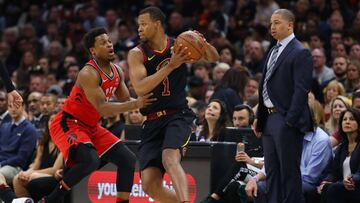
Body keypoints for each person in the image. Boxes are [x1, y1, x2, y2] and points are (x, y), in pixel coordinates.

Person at [38, 28, 155, 203]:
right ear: (93, 50)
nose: (109, 45)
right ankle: (51, 199)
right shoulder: (88, 73)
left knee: (128, 160)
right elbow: (104, 109)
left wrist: (149, 104)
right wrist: (136, 104)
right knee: (90, 161)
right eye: (103, 43)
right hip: (68, 123)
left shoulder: (117, 71)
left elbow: (125, 99)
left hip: (91, 126)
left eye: (109, 41)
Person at [128, 6, 219, 203]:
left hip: (178, 115)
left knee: (169, 158)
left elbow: (214, 58)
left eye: (143, 24)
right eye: (138, 25)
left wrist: (202, 43)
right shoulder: (137, 54)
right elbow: (141, 88)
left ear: (157, 24)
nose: (139, 29)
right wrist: (171, 65)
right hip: (152, 121)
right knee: (149, 185)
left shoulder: (179, 44)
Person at [255, 9, 313, 203]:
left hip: (285, 119)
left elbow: (301, 90)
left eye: (277, 22)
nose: (272, 27)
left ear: (290, 25)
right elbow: (265, 84)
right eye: (271, 23)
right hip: (269, 119)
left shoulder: (300, 51)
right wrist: (260, 118)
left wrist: (290, 121)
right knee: (273, 174)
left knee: (289, 174)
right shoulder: (272, 50)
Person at [318, 108, 360, 203]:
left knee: (332, 189)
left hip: (356, 186)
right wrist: (326, 181)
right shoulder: (341, 148)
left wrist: (350, 180)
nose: (347, 122)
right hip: (342, 188)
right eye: (344, 119)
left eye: (352, 119)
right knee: (325, 187)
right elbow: (334, 172)